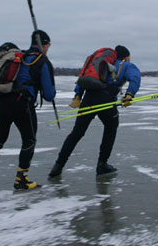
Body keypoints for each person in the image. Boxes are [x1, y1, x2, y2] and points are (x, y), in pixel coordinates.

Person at [0, 30, 56, 191]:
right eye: (48, 46)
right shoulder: (41, 60)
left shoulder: (19, 57)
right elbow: (50, 95)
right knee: (29, 140)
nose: (48, 49)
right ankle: (21, 179)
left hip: (2, 101)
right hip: (22, 104)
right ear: (44, 45)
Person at [49, 45, 141, 178]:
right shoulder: (126, 65)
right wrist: (129, 95)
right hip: (106, 100)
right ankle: (102, 165)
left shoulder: (99, 64)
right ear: (126, 56)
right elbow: (135, 78)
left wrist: (78, 96)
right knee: (111, 128)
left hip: (88, 98)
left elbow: (83, 78)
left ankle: (57, 166)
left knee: (76, 133)